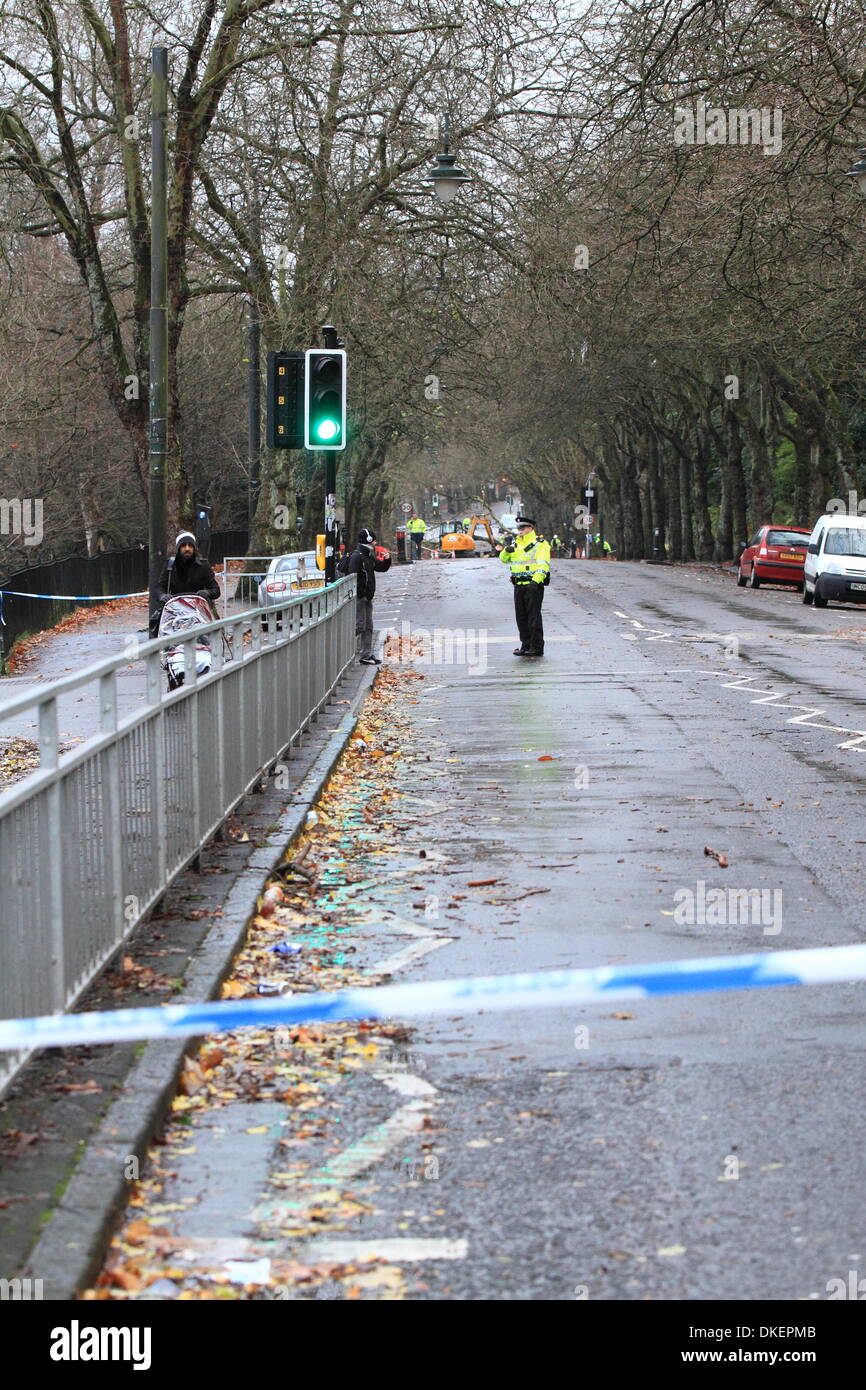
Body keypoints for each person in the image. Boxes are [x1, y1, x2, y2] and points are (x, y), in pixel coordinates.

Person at [497, 515, 550, 658]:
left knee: (533, 617)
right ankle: (525, 645)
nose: (520, 530)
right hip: (518, 585)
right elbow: (503, 560)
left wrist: (536, 581)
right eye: (519, 528)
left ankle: (536, 646)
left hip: (533, 585)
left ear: (531, 528)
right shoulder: (515, 544)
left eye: (523, 528)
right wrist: (505, 551)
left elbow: (543, 564)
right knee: (521, 617)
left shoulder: (540, 543)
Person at [150, 530, 220, 637]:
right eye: (183, 546)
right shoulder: (170, 566)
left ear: (194, 548)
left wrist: (207, 593)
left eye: (190, 546)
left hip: (199, 614)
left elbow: (216, 590)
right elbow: (159, 587)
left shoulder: (203, 566)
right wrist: (163, 595)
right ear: (178, 548)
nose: (187, 549)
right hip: (175, 614)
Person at [345, 527, 391, 664]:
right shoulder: (357, 557)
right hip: (360, 597)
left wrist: (387, 560)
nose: (375, 543)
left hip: (367, 597)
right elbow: (352, 577)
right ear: (368, 541)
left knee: (368, 627)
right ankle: (342, 648)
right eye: (374, 540)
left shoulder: (368, 556)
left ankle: (366, 655)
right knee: (359, 625)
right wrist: (362, 592)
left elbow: (380, 567)